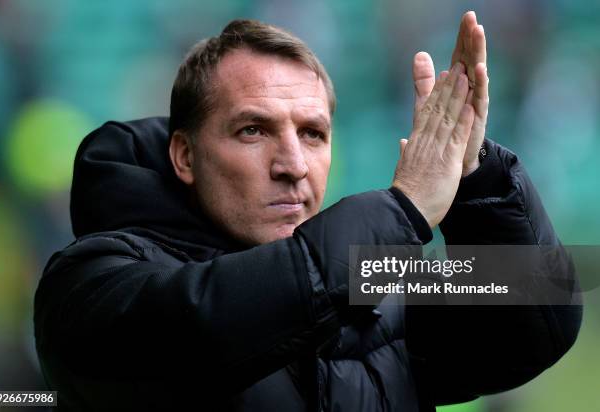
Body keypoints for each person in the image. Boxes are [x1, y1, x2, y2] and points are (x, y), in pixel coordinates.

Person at [34, 13, 581, 411]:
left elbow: (535, 318)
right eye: (254, 130)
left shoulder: (376, 279)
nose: (293, 164)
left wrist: (475, 175)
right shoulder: (91, 279)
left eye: (314, 134)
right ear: (185, 155)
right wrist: (403, 211)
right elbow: (200, 329)